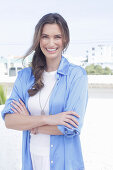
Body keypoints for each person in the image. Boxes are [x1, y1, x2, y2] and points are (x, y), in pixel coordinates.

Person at [1, 13, 88, 170]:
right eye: (45, 36)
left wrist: (30, 124)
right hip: (32, 162)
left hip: (64, 163)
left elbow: (71, 127)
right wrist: (50, 119)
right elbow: (10, 121)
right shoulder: (24, 77)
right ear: (38, 40)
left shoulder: (76, 76)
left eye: (57, 37)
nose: (51, 43)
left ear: (65, 39)